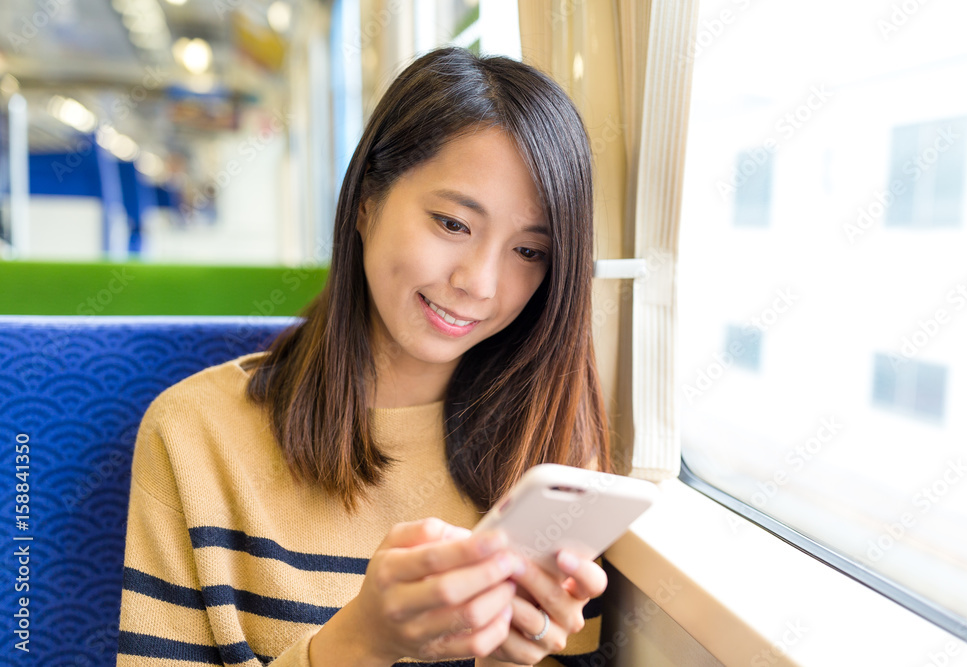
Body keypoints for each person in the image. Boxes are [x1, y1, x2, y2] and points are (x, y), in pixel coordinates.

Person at [116, 46, 613, 666]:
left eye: (529, 252)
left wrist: (507, 661)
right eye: (453, 224)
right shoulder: (194, 436)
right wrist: (360, 644)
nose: (480, 283)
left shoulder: (556, 449)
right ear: (365, 201)